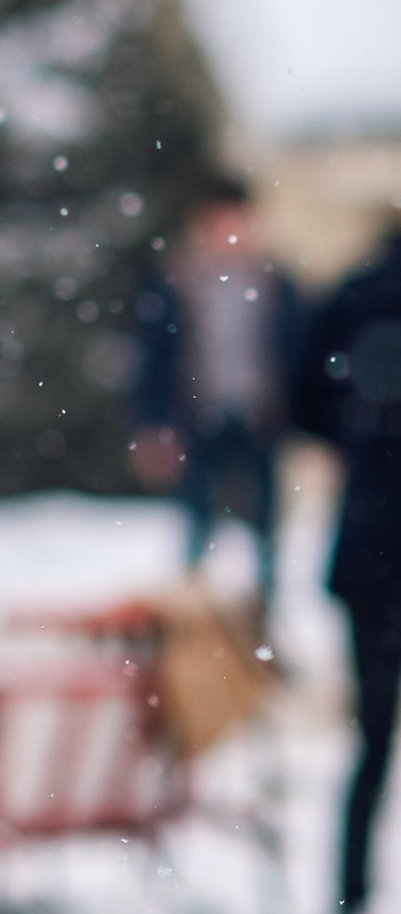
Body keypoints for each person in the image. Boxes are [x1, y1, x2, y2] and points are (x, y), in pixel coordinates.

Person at [292, 206, 401, 914]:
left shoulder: (354, 294)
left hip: (372, 547)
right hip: (375, 547)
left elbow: (306, 408)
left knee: (371, 747)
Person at [131, 178, 304, 606]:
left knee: (265, 534)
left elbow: (299, 354)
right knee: (196, 529)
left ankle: (262, 626)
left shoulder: (276, 283)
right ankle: (194, 627)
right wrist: (153, 425)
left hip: (259, 418)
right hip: (197, 418)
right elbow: (152, 357)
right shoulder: (177, 282)